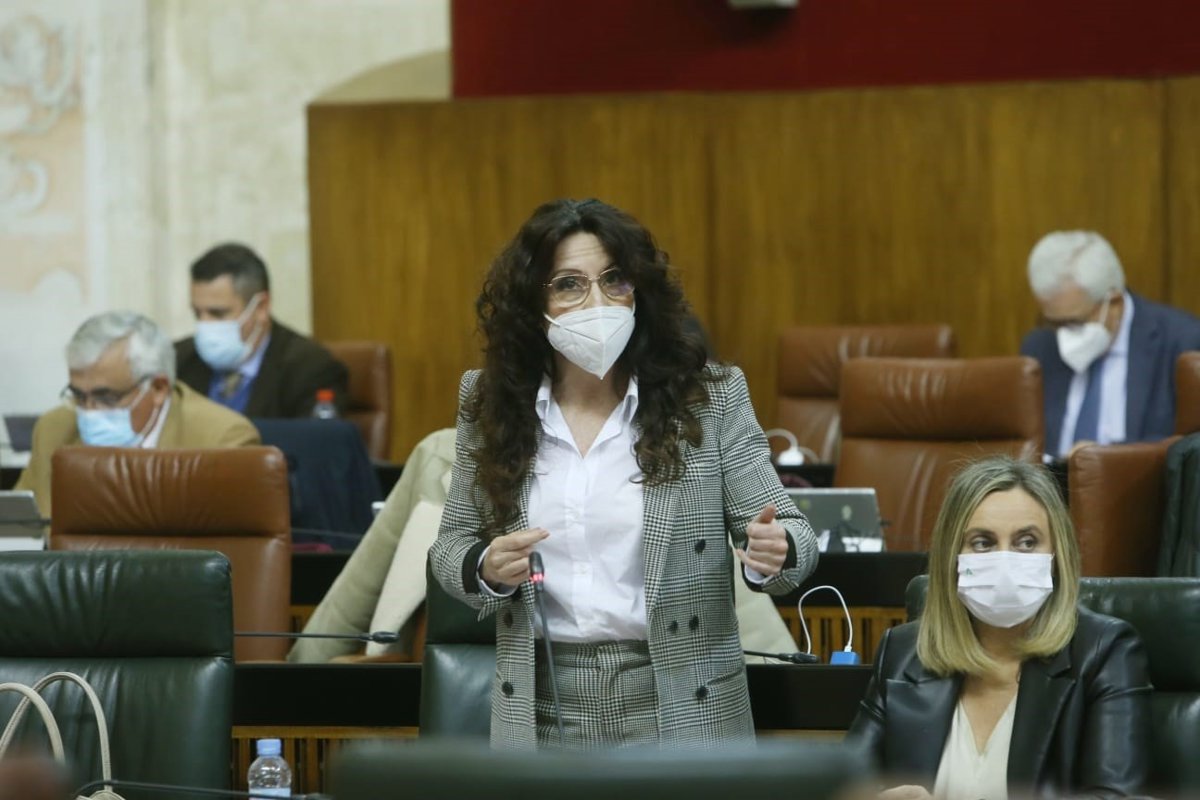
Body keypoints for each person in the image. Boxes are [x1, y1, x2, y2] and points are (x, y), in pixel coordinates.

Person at [428, 198, 819, 750]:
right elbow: (450, 547)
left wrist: (774, 551)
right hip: (541, 705)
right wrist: (486, 567)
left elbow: (794, 535)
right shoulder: (490, 401)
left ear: (639, 290)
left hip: (683, 704)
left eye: (614, 280)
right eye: (569, 285)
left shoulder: (708, 397)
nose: (597, 301)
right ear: (532, 304)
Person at [845, 455, 1150, 799]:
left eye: (1027, 542)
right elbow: (842, 785)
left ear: (1057, 555)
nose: (1005, 560)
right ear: (951, 558)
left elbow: (1115, 796)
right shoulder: (904, 653)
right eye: (983, 543)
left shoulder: (1103, 652)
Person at [15, 311, 260, 514]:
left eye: (106, 397)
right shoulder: (53, 430)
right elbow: (16, 532)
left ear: (158, 388)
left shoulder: (221, 441)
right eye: (78, 395)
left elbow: (228, 551)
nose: (89, 411)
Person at [1019, 230, 1200, 458]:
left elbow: (1187, 449)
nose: (1063, 334)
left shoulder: (1181, 343)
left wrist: (1109, 459)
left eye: (1074, 322)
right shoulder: (1039, 346)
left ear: (1114, 303)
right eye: (1055, 322)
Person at [174, 243, 349, 418]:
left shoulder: (310, 368)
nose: (205, 324)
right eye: (197, 313)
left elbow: (313, 435)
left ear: (261, 308)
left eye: (218, 314)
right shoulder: (178, 360)